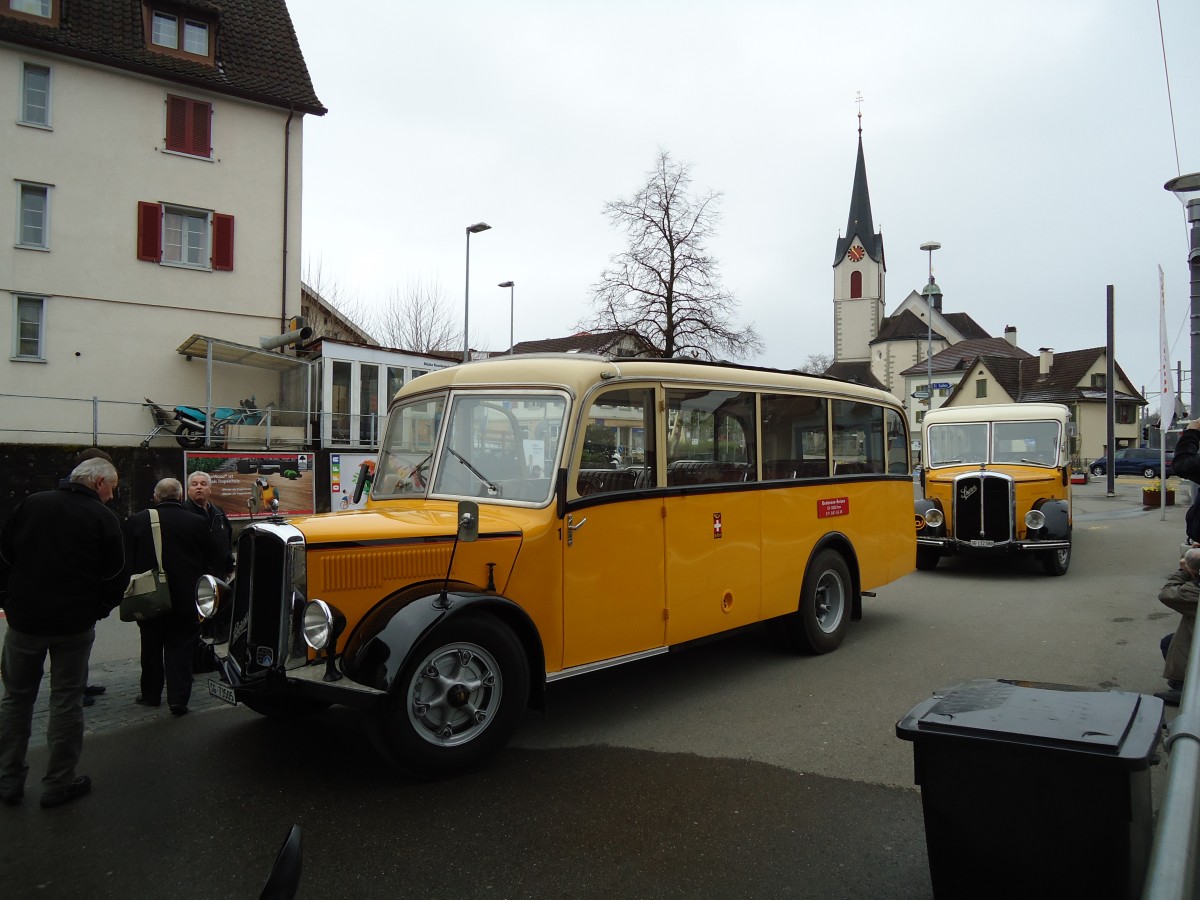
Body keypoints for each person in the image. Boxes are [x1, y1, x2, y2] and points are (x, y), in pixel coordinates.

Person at [0, 457, 125, 808]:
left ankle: (8, 779)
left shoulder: (32, 504)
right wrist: (97, 610)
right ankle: (58, 783)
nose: (113, 496)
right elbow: (116, 574)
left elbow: (4, 557)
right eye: (112, 488)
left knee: (16, 700)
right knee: (66, 701)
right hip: (74, 625)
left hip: (24, 622)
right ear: (98, 482)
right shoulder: (103, 518)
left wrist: (9, 600)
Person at [124, 478, 223, 716]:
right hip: (186, 595)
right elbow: (214, 556)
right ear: (180, 497)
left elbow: (128, 559)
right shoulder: (197, 522)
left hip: (150, 595)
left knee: (150, 644)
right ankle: (178, 698)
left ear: (155, 497)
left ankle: (150, 694)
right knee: (181, 646)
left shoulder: (138, 521)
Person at [61, 448, 118, 707]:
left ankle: (80, 684)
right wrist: (102, 605)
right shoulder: (97, 513)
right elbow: (117, 568)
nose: (112, 493)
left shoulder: (38, 503)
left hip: (67, 605)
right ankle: (76, 689)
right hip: (73, 605)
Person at [1156, 546, 1200, 706]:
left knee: (1178, 644)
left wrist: (1185, 572)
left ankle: (1185, 690)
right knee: (1169, 642)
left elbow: (1168, 594)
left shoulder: (1194, 591)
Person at [183, 471, 234, 577]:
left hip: (219, 574)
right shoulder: (183, 513)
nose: (199, 487)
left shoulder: (218, 513)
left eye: (203, 484)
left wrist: (228, 566)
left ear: (210, 489)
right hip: (195, 576)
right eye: (194, 484)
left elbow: (227, 540)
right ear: (188, 490)